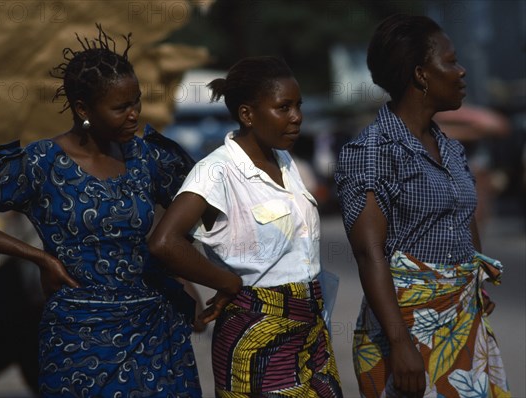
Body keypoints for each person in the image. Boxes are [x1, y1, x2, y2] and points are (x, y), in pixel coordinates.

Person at [0, 24, 201, 397]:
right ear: (83, 109)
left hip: (154, 330)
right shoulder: (41, 162)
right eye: (120, 106)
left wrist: (194, 275)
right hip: (79, 337)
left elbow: (188, 214)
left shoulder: (147, 156)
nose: (134, 114)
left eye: (136, 102)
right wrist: (38, 258)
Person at [334, 14, 511, 398]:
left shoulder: (449, 147)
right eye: (450, 61)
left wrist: (473, 278)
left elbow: (464, 216)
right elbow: (369, 255)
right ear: (420, 75)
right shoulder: (372, 152)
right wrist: (400, 345)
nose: (461, 71)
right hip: (404, 331)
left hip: (464, 322)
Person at [149, 56, 343, 397]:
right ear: (247, 115)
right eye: (283, 107)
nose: (297, 116)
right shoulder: (216, 172)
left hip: (312, 331)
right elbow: (164, 242)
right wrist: (227, 281)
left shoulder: (283, 159)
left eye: (298, 106)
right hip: (258, 335)